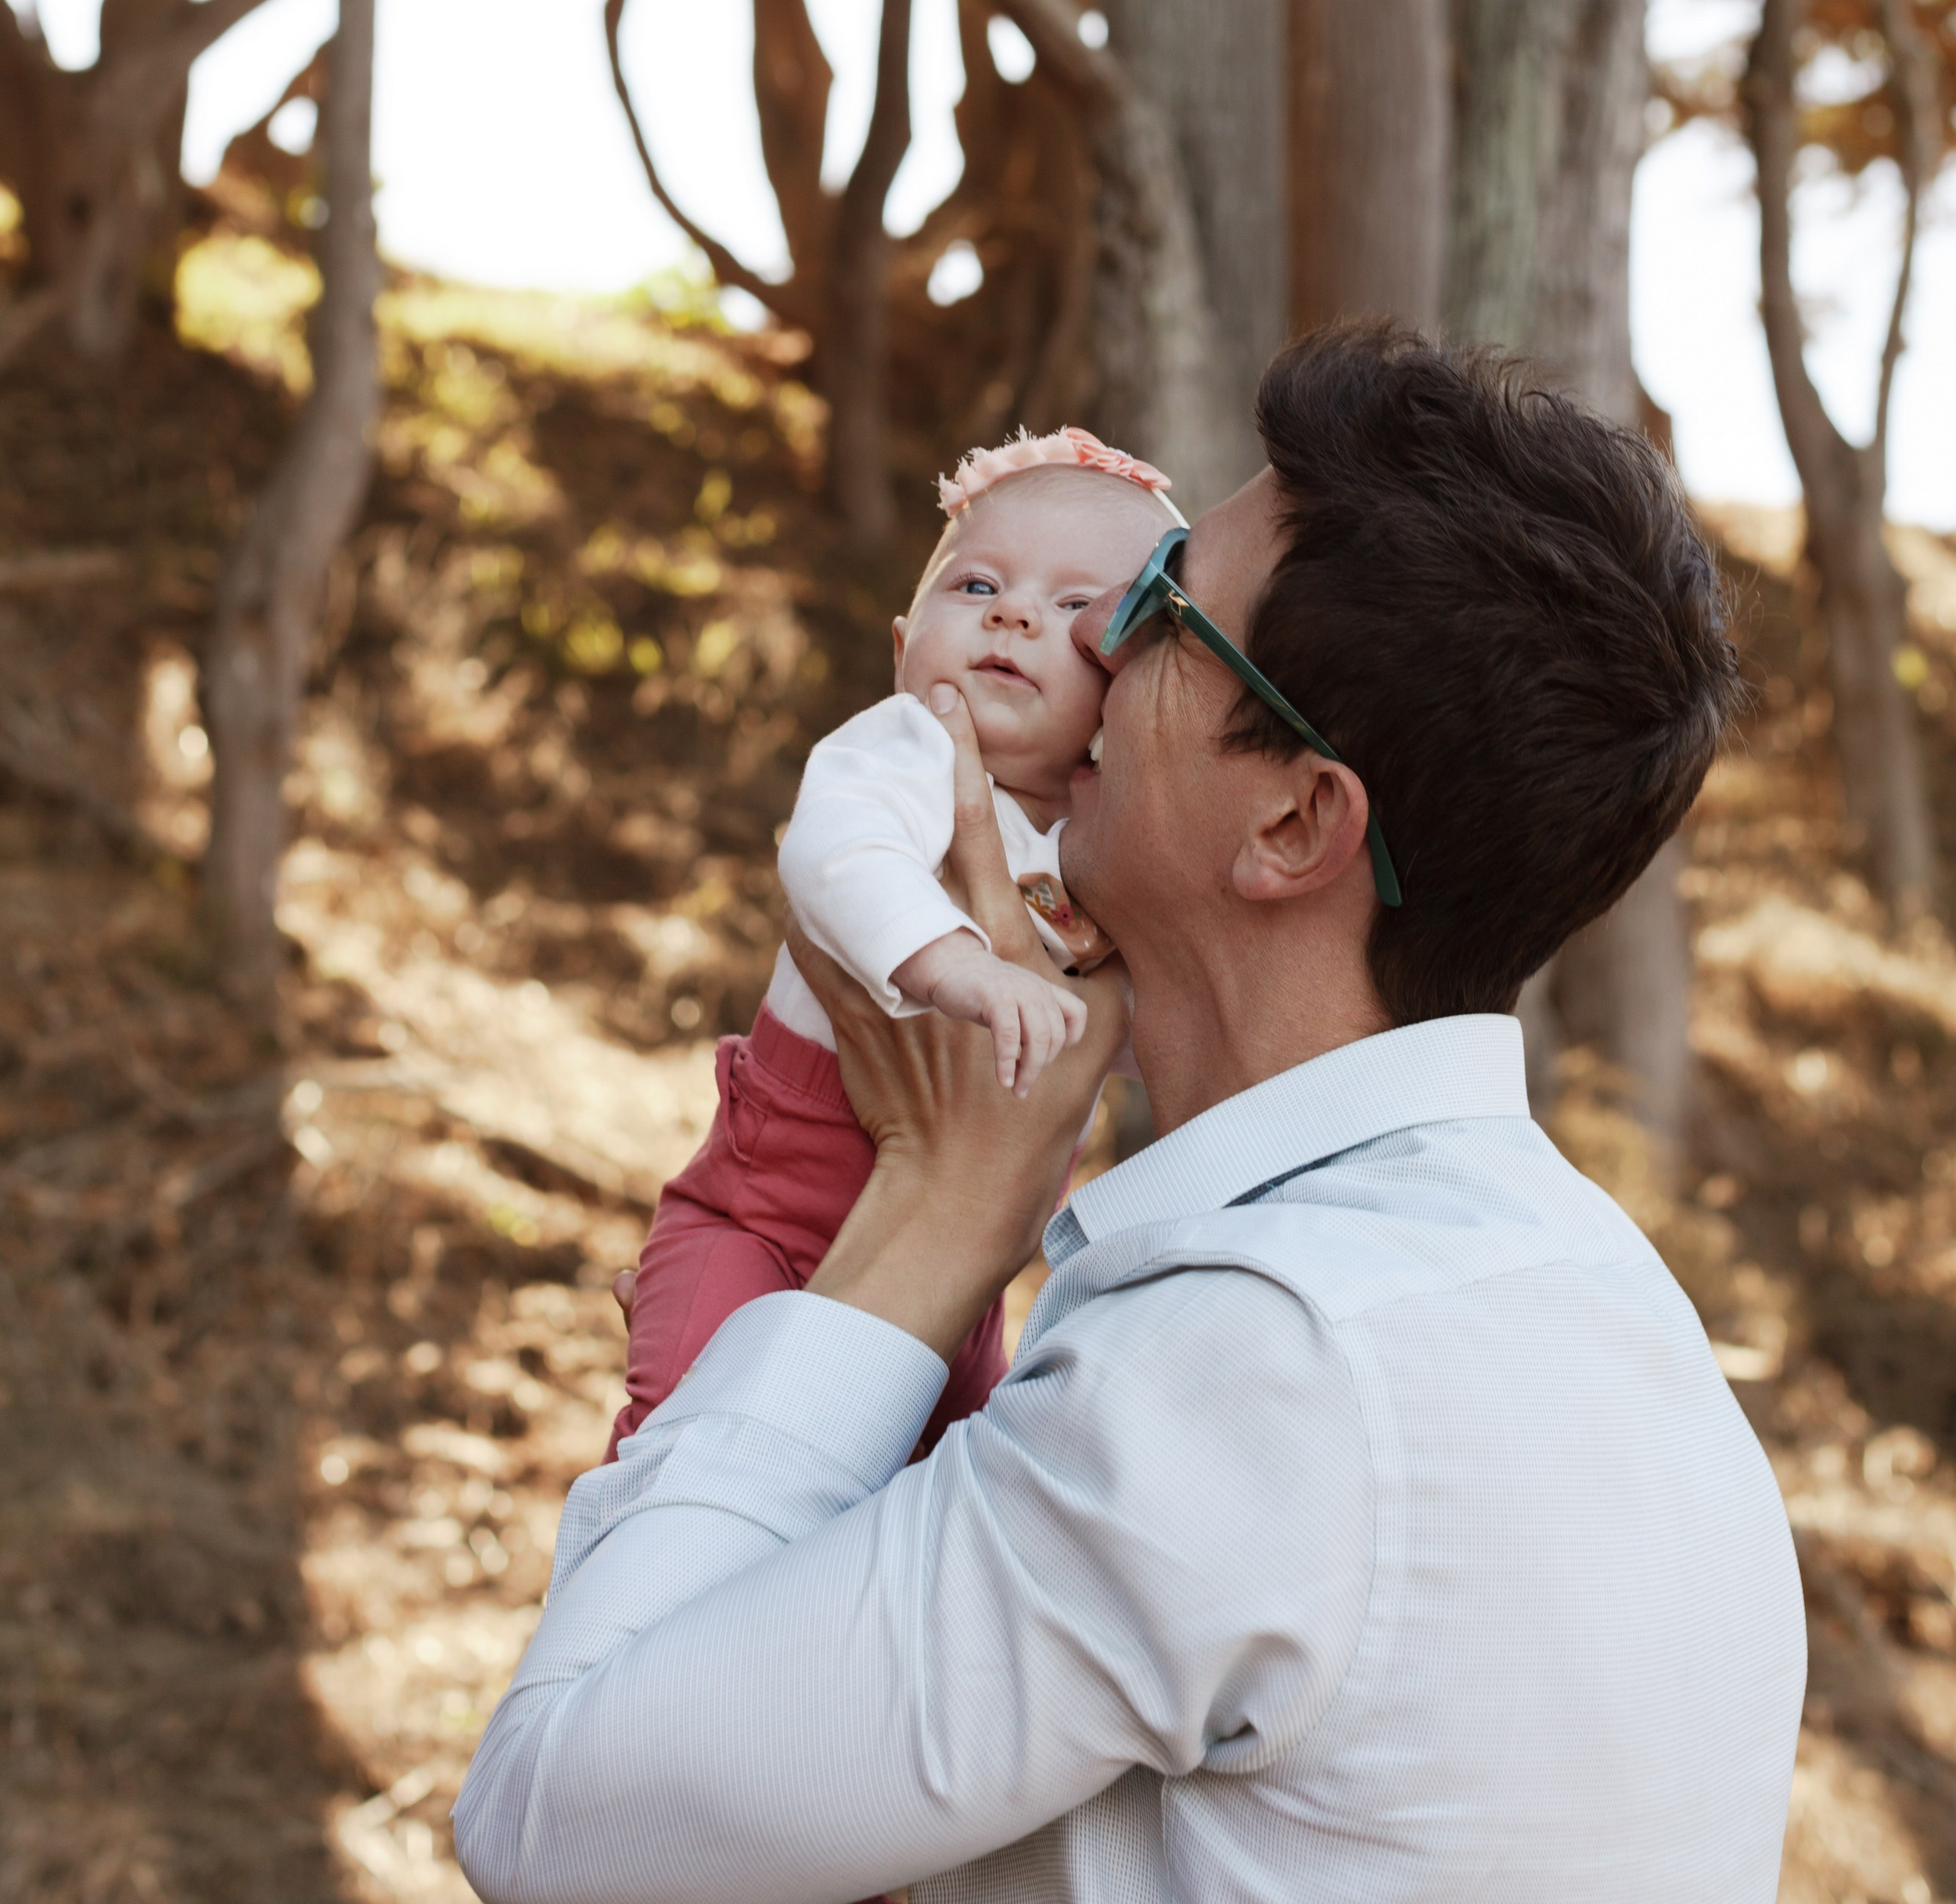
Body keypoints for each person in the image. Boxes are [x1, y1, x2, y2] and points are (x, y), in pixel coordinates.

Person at [456, 324, 1807, 1904]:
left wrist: (941, 1209)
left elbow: (555, 1827)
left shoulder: (1259, 1367)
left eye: (1162, 603)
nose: (1091, 638)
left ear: (1291, 821)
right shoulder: (1607, 1299)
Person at [606, 428, 1174, 1461]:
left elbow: (1124, 1025)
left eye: (1071, 608)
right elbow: (838, 853)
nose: (1011, 615)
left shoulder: (1101, 844)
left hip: (965, 1281)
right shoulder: (912, 749)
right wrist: (956, 966)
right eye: (978, 586)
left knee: (939, 1488)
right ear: (903, 650)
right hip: (764, 1219)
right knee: (692, 1441)